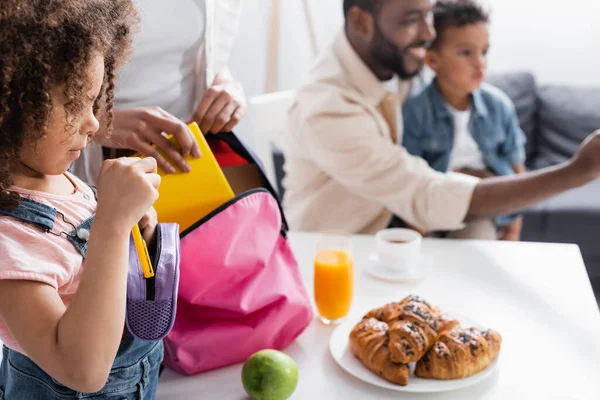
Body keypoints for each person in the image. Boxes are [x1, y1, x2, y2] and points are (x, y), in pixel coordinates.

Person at [282, 0, 600, 234]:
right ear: (362, 23)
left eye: (429, 14)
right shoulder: (328, 105)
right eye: (411, 19)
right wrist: (578, 171)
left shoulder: (394, 59)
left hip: (394, 231)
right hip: (340, 251)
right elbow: (424, 194)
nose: (429, 32)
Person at [0, 1, 164, 397]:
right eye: (76, 105)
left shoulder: (60, 179)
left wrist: (132, 228)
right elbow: (83, 370)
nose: (94, 123)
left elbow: (89, 271)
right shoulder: (9, 239)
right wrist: (110, 223)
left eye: (95, 102)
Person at [72, 0, 246, 185]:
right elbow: (42, 69)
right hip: (95, 165)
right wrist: (94, 122)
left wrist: (224, 82)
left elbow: (210, 53)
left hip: (192, 159)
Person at [402, 0, 525, 240]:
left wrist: (512, 230)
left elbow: (517, 170)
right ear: (432, 60)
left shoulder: (498, 106)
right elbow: (407, 176)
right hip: (432, 205)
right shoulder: (416, 110)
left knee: (474, 241)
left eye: (484, 51)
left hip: (480, 206)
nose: (480, 62)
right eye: (465, 52)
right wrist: (416, 236)